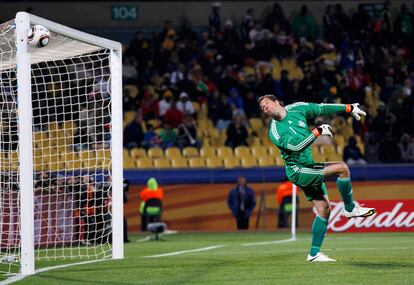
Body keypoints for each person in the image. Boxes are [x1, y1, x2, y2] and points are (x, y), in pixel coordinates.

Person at [258, 95, 376, 262]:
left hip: (309, 166)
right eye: (263, 107)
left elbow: (322, 108)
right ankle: (350, 209)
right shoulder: (275, 131)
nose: (266, 108)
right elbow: (297, 147)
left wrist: (348, 108)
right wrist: (317, 131)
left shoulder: (298, 108)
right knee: (342, 168)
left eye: (267, 103)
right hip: (298, 171)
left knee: (324, 209)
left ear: (277, 102)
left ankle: (314, 254)